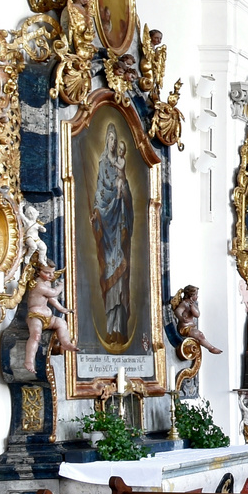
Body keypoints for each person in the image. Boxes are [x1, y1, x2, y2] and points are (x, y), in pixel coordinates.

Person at [91, 124, 135, 347]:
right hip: (108, 234)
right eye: (109, 140)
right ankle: (110, 328)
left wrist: (123, 191)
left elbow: (126, 198)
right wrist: (99, 212)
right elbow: (101, 192)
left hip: (119, 230)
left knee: (121, 277)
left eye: (114, 140)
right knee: (109, 274)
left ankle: (119, 329)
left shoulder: (121, 167)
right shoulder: (102, 164)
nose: (112, 143)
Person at [23, 257, 77, 371]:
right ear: (38, 271)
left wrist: (62, 309)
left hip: (48, 317)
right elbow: (54, 293)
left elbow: (51, 298)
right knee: (36, 335)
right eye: (47, 273)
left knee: (61, 322)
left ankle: (65, 343)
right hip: (35, 316)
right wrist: (60, 286)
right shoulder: (38, 285)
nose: (51, 276)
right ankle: (28, 361)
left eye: (52, 273)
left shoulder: (46, 283)